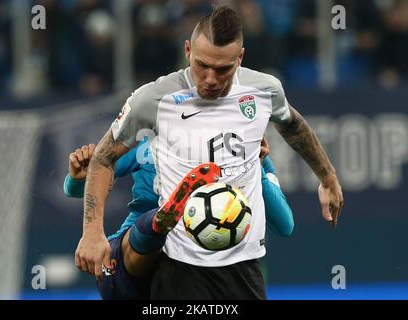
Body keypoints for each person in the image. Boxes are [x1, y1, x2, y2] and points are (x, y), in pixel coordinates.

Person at [74, 5, 343, 300]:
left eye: (223, 69)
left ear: (239, 58)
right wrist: (91, 231)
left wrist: (328, 179)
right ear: (188, 50)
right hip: (179, 262)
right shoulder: (153, 99)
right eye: (202, 65)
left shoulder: (264, 91)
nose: (211, 79)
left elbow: (294, 126)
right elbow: (103, 157)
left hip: (244, 260)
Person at [65, 138, 293, 299]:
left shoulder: (242, 146)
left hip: (200, 274)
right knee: (154, 230)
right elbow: (74, 188)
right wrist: (79, 177)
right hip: (131, 270)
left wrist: (256, 166)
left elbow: (285, 225)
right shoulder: (147, 141)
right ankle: (160, 220)